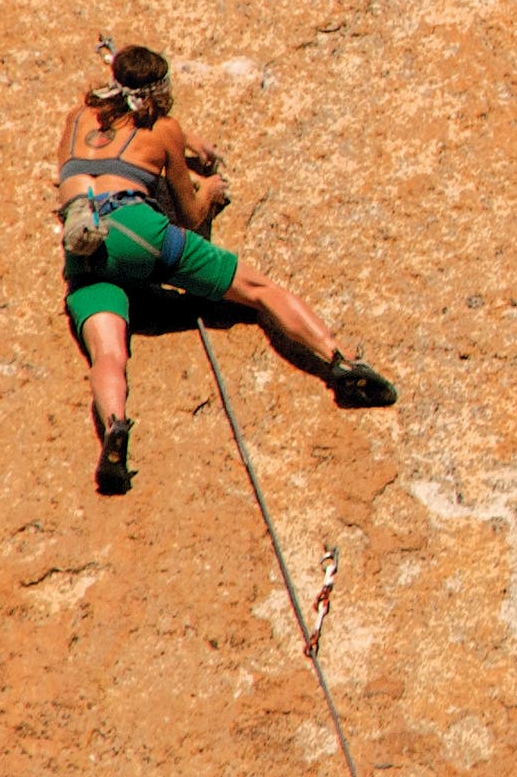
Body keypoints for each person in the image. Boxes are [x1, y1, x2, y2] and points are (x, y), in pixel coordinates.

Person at [56, 43, 396, 495]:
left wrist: (182, 138)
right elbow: (192, 215)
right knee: (259, 290)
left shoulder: (77, 117)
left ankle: (116, 428)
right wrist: (211, 189)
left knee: (109, 354)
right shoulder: (165, 132)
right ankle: (340, 362)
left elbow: (114, 143)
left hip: (86, 242)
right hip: (139, 230)